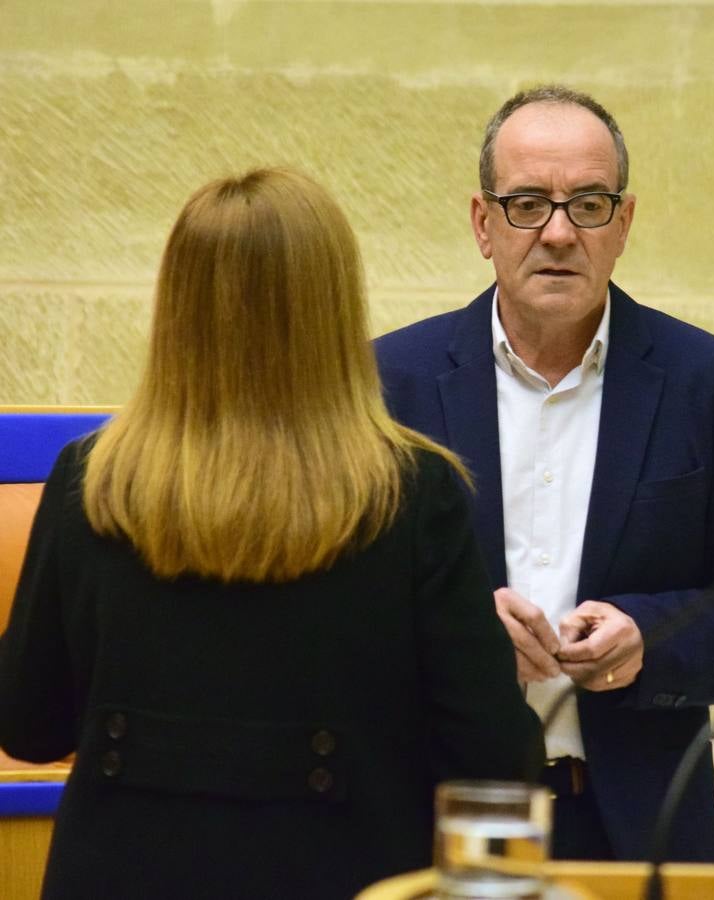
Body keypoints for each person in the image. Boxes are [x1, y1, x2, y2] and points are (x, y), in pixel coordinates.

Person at [0, 168, 544, 899]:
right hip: (349, 877)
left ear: (177, 305)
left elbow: (29, 727)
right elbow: (493, 760)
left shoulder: (88, 482)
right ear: (334, 307)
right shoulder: (412, 493)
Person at [375, 85, 714, 863]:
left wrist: (653, 637)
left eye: (587, 204)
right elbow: (333, 600)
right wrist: (457, 637)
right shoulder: (388, 383)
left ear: (623, 222)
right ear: (483, 224)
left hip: (636, 828)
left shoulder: (709, 384)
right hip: (433, 819)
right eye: (524, 204)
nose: (555, 232)